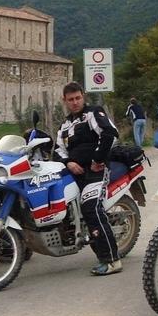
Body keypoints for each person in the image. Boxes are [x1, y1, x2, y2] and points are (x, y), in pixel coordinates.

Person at [54, 82, 122, 275]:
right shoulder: (65, 125)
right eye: (71, 99)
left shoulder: (93, 113)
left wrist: (97, 159)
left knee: (90, 207)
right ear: (65, 101)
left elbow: (109, 133)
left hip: (97, 170)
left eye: (78, 98)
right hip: (75, 173)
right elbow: (58, 150)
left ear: (83, 96)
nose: (75, 102)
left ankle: (112, 260)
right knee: (75, 211)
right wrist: (68, 162)